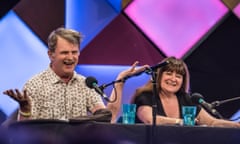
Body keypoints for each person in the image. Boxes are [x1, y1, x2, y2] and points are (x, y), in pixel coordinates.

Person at [3, 27, 147, 123]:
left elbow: (107, 119)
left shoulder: (86, 84)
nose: (71, 58)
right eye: (65, 52)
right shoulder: (35, 84)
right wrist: (25, 110)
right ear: (51, 55)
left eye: (74, 52)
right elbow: (24, 130)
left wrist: (119, 82)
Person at [131, 56, 240, 128]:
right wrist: (180, 122)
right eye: (169, 73)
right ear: (158, 76)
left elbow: (212, 123)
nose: (173, 79)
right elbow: (151, 120)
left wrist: (237, 125)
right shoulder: (146, 96)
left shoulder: (186, 98)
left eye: (178, 76)